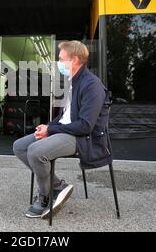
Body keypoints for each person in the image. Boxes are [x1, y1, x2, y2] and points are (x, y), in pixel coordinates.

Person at [13, 40, 112, 218]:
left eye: (60, 58)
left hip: (83, 138)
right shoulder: (73, 82)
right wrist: (48, 126)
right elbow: (65, 117)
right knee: (20, 146)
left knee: (36, 151)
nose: (58, 63)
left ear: (74, 59)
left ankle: (44, 195)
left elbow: (85, 125)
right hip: (66, 131)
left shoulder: (91, 85)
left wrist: (50, 131)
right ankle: (58, 186)